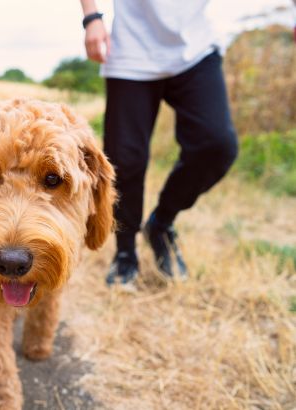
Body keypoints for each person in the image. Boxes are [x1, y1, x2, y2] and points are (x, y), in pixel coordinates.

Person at [78, 0, 238, 288]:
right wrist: (92, 17)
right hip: (132, 50)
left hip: (196, 47)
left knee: (217, 145)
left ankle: (161, 224)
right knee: (124, 161)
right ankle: (125, 252)